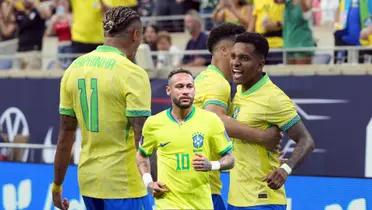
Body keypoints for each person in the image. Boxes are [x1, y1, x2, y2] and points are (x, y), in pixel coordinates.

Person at [53, 7, 152, 210]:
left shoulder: (73, 68)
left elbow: (65, 136)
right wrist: (154, 181)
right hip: (124, 184)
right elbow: (142, 138)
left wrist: (56, 186)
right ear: (136, 35)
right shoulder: (132, 73)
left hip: (88, 181)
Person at [194, 23, 282, 210]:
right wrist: (262, 137)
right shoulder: (217, 83)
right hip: (203, 188)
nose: (238, 60)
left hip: (194, 181)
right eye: (235, 53)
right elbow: (214, 118)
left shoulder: (203, 78)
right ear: (224, 50)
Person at [227, 32, 315, 210]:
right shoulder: (240, 90)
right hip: (236, 198)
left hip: (263, 200)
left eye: (244, 58)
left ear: (260, 65)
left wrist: (286, 169)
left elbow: (307, 141)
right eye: (233, 56)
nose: (235, 63)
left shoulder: (273, 97)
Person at [136, 69, 235, 210]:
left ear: (195, 90)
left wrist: (212, 165)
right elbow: (142, 155)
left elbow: (230, 158)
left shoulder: (211, 120)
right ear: (168, 90)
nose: (185, 91)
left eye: (189, 86)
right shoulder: (154, 123)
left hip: (201, 204)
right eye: (179, 86)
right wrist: (148, 182)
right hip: (167, 204)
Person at [275, 0, 315, 64]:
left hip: (303, 45)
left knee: (301, 73)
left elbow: (307, 14)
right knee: (290, 73)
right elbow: (277, 1)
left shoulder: (307, 1)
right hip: (289, 45)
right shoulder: (287, 2)